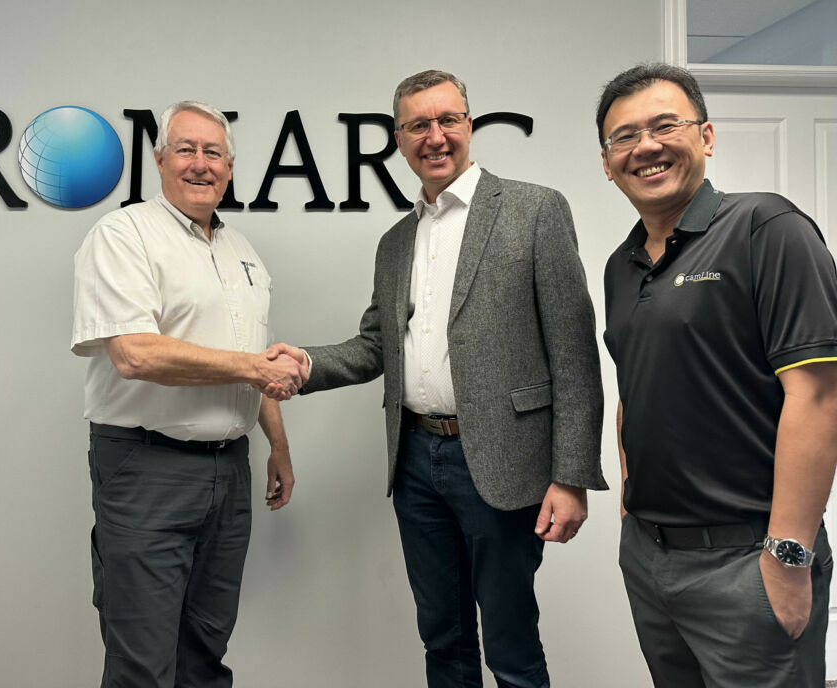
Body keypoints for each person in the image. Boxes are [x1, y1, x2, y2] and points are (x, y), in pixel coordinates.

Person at [268, 70, 606, 688]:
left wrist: (572, 475)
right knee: (442, 637)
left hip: (503, 461)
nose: (436, 136)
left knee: (510, 640)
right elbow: (376, 346)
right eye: (419, 125)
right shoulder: (396, 241)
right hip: (416, 461)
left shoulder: (534, 209)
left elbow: (575, 354)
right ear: (399, 140)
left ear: (469, 125)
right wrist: (306, 363)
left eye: (448, 119)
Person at [598, 63, 837, 687]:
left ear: (706, 136)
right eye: (624, 136)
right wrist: (630, 509)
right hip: (651, 557)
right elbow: (634, 391)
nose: (645, 146)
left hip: (747, 559)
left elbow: (818, 396)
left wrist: (788, 554)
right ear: (607, 163)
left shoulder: (766, 228)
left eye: (664, 126)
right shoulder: (621, 266)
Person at [71, 100, 306, 688]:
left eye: (213, 153)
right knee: (143, 664)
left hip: (229, 471)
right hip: (146, 468)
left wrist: (277, 446)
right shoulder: (124, 235)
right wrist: (254, 367)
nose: (200, 163)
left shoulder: (241, 250)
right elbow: (135, 354)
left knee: (204, 652)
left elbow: (254, 357)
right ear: (159, 161)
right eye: (186, 149)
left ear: (230, 167)